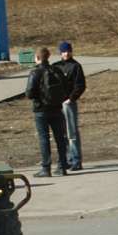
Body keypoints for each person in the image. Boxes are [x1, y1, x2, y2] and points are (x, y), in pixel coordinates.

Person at [25, 47, 69, 179]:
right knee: (60, 138)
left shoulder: (35, 73)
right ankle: (62, 166)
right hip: (57, 108)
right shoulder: (56, 70)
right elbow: (66, 87)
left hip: (41, 110)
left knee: (44, 139)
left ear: (37, 58)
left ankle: (46, 168)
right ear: (48, 57)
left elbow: (29, 93)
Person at [53, 41, 88, 172]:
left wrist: (71, 98)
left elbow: (80, 85)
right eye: (63, 51)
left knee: (72, 132)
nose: (66, 53)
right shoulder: (56, 66)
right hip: (57, 104)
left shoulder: (76, 66)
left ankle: (76, 160)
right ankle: (65, 159)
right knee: (61, 133)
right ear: (60, 52)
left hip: (68, 103)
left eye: (68, 51)